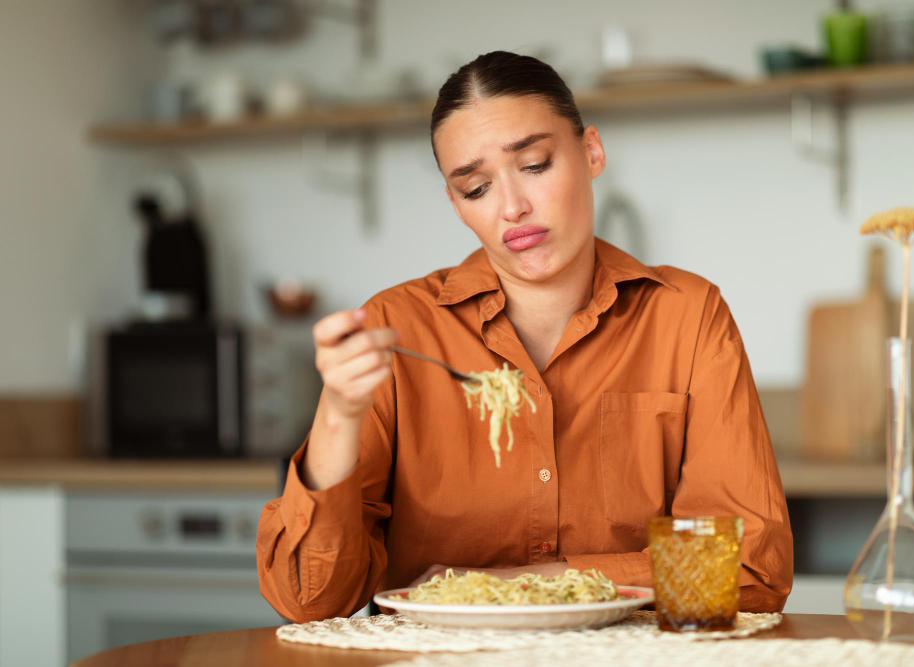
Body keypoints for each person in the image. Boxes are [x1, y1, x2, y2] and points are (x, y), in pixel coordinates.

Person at [257, 51, 793, 623]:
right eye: (476, 188)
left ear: (591, 153)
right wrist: (338, 414)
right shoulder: (398, 326)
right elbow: (308, 599)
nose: (512, 207)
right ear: (455, 203)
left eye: (534, 165)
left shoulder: (687, 316)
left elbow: (750, 570)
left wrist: (532, 582)